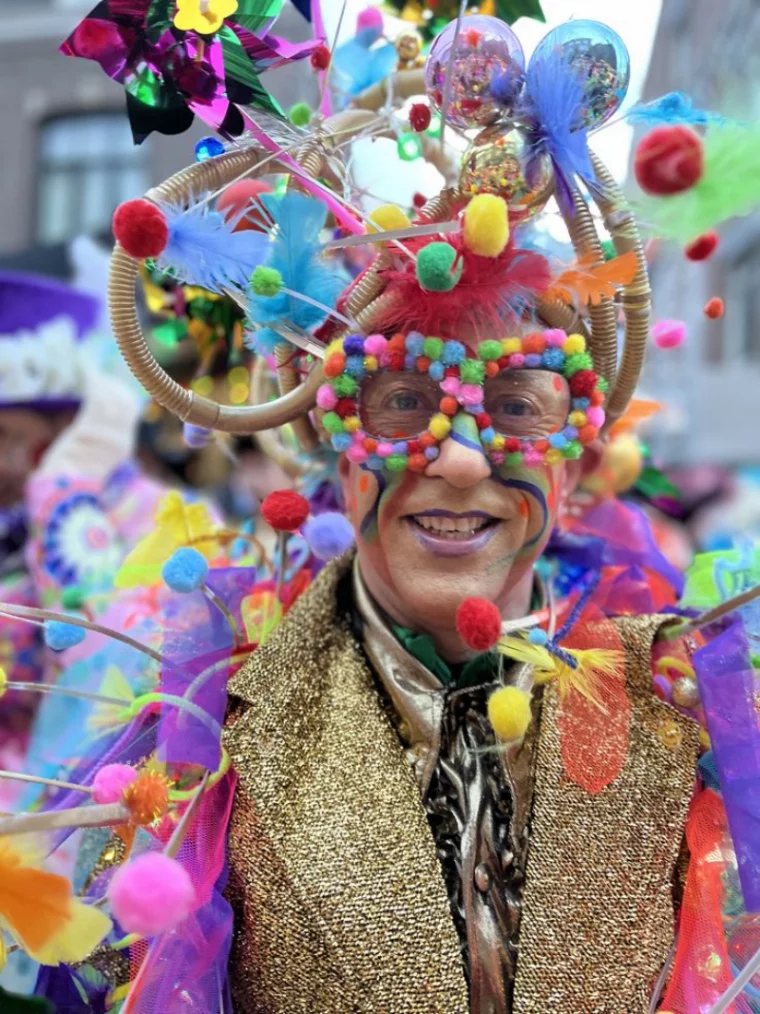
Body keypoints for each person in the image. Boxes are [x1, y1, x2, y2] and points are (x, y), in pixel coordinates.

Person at [7, 11, 757, 1014]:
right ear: (333, 449)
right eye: (402, 400)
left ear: (574, 461)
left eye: (515, 405)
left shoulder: (699, 709)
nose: (456, 455)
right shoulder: (194, 731)